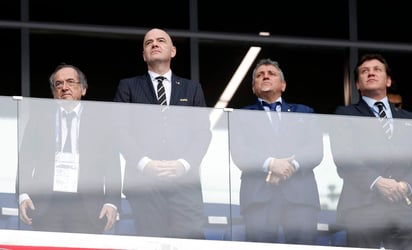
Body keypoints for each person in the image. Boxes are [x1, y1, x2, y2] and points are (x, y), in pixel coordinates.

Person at [113, 28, 212, 239]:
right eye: (148, 43)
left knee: (190, 242)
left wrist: (183, 164)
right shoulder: (128, 86)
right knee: (152, 241)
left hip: (185, 182)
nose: (154, 44)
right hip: (144, 183)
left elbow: (203, 133)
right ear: (144, 55)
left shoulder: (192, 88)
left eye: (160, 41)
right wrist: (144, 163)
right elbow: (119, 130)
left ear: (173, 51)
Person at [18, 64, 122, 234]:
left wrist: (111, 202)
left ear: (83, 89)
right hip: (46, 203)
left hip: (87, 205)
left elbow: (112, 164)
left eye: (70, 82)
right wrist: (23, 194)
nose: (64, 87)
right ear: (54, 93)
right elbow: (26, 159)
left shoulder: (101, 120)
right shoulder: (39, 118)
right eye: (58, 84)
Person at [229, 58, 324, 245]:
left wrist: (289, 166)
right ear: (253, 87)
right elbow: (240, 153)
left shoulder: (304, 112)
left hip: (301, 197)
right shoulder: (240, 115)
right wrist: (271, 164)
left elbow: (315, 150)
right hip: (258, 196)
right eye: (259, 75)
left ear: (283, 85)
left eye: (271, 73)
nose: (265, 76)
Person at [331, 53, 412, 249]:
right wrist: (378, 182)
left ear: (389, 80)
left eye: (377, 70)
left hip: (404, 207)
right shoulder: (345, 114)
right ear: (358, 84)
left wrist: (406, 185)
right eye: (364, 71)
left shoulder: (408, 118)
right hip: (362, 207)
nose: (371, 73)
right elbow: (345, 159)